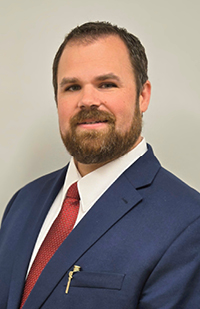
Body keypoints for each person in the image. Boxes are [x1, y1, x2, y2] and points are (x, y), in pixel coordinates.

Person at [0, 21, 200, 309]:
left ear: (142, 96)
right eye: (71, 87)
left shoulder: (188, 223)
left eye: (107, 84)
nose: (87, 100)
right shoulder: (23, 202)